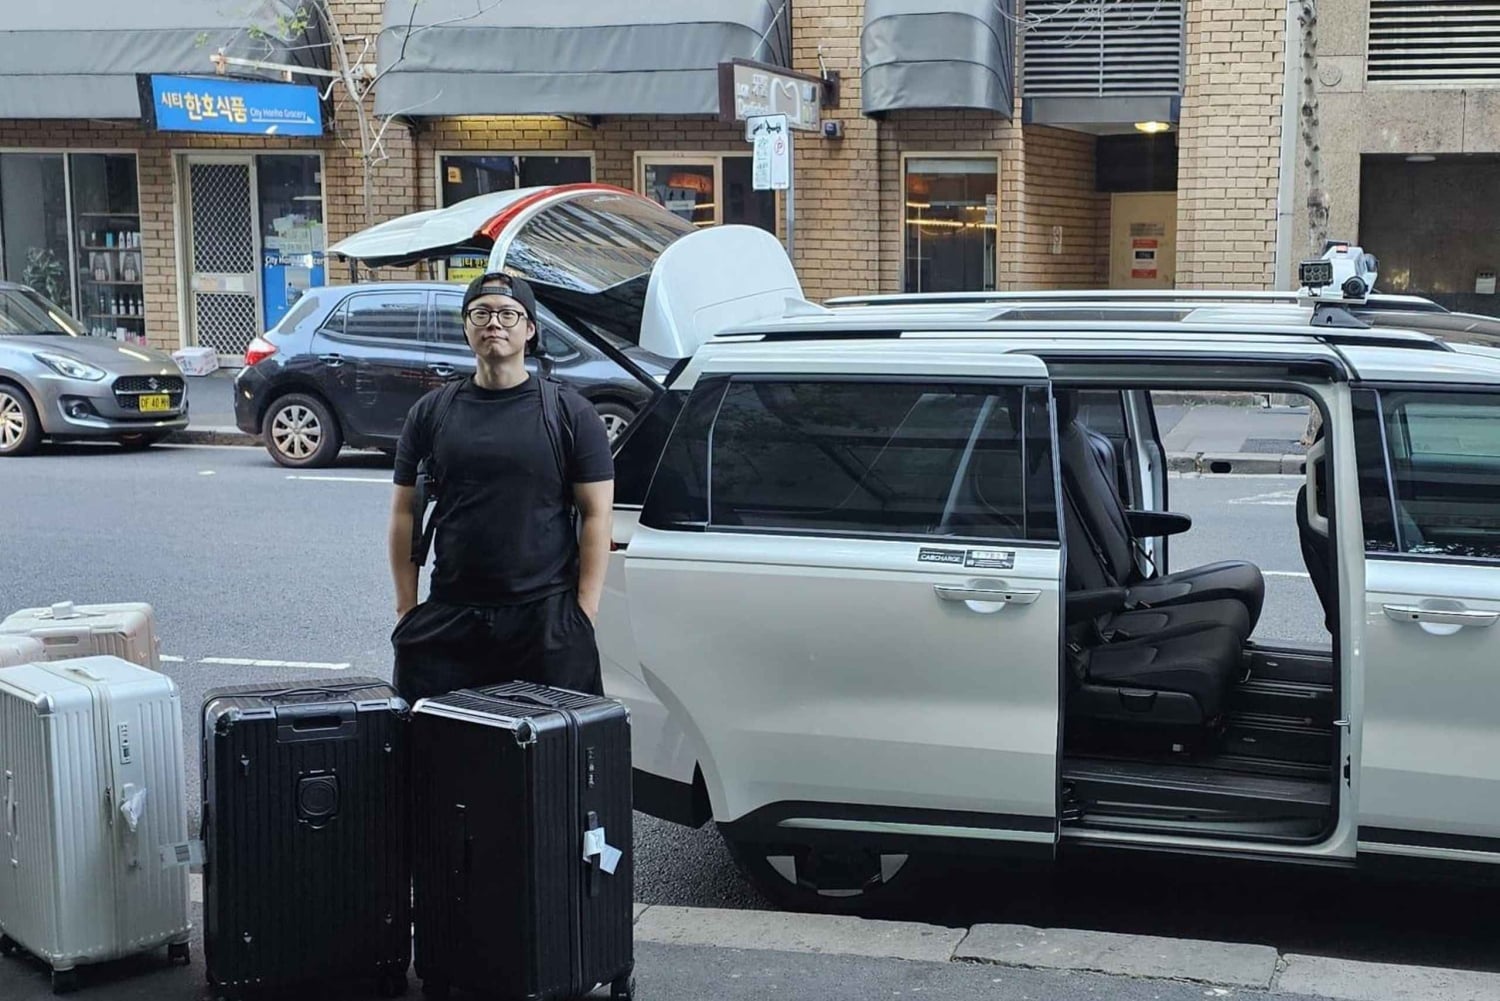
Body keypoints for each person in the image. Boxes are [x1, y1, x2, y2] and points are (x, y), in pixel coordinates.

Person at [387, 272, 614, 703]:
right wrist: (406, 608)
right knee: (438, 755)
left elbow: (598, 515)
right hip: (452, 614)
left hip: (545, 619)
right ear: (466, 326)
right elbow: (404, 511)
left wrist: (585, 612)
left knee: (551, 760)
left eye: (509, 314)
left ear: (529, 330)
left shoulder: (571, 413)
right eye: (482, 313)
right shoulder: (430, 412)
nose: (495, 323)